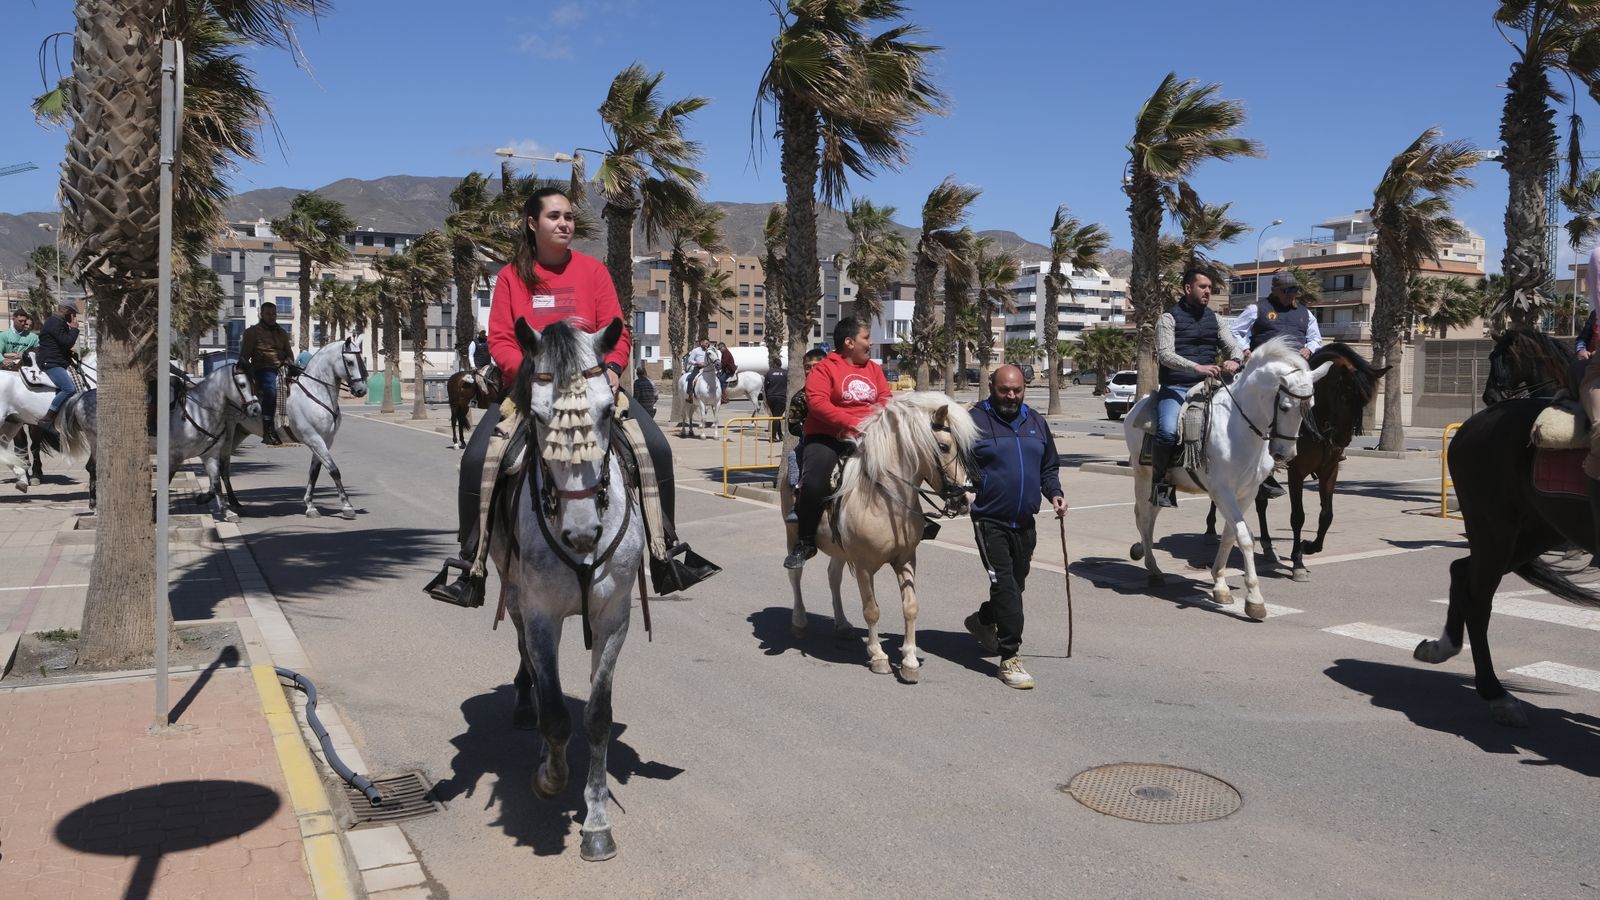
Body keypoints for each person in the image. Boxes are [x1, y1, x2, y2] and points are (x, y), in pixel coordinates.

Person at [426, 186, 717, 609]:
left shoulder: (592, 272)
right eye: (554, 216)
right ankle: (472, 567)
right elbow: (504, 341)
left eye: (568, 217)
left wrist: (614, 369)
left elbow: (616, 331)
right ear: (532, 223)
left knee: (655, 447)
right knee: (476, 460)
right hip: (532, 393)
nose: (564, 223)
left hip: (594, 388)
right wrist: (529, 378)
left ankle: (665, 549)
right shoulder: (511, 276)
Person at [964, 364, 1066, 690]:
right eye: (1004, 390)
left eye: (1017, 390)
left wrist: (1056, 494)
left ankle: (982, 621)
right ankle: (1009, 657)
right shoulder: (973, 421)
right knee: (1006, 587)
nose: (1011, 396)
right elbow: (954, 463)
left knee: (1015, 586)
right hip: (989, 519)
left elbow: (1048, 466)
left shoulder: (1035, 421)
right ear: (991, 387)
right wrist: (964, 491)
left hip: (1025, 521)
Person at [784, 318, 890, 570]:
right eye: (866, 337)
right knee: (814, 480)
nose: (871, 342)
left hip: (870, 434)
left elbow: (885, 396)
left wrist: (875, 422)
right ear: (849, 342)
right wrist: (854, 423)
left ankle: (915, 520)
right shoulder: (824, 369)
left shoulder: (874, 369)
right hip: (828, 437)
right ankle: (806, 541)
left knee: (902, 465)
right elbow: (818, 405)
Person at [1150, 268, 1244, 508]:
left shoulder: (1216, 318)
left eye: (1210, 288)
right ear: (1187, 288)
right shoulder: (1168, 319)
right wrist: (1196, 368)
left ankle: (1261, 475)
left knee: (1250, 415)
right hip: (1177, 385)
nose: (1208, 292)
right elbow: (1165, 355)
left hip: (1212, 385)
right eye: (1203, 287)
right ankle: (1160, 483)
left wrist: (1235, 359)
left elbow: (1233, 346)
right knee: (1168, 431)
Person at [1228, 270, 1322, 497]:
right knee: (1267, 411)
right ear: (1275, 290)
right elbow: (1234, 331)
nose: (1292, 295)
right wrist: (1245, 349)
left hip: (1295, 371)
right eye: (1287, 291)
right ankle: (1262, 463)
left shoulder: (1305, 313)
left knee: (1311, 400)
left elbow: (1316, 337)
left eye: (1295, 291)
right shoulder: (1257, 309)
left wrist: (1309, 348)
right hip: (1266, 374)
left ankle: (1321, 450)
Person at [238, 301, 293, 445]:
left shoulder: (282, 332)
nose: (271, 317)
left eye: (274, 314)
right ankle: (268, 431)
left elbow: (289, 354)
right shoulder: (252, 332)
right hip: (263, 369)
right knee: (272, 391)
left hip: (283, 368)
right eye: (268, 314)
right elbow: (244, 356)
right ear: (261, 314)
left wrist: (289, 362)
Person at [35, 299, 81, 435]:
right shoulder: (54, 322)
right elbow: (66, 342)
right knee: (69, 388)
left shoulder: (58, 322)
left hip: (58, 360)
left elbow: (62, 345)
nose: (74, 317)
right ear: (67, 311)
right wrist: (75, 329)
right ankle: (47, 418)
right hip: (51, 362)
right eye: (73, 313)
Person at [763, 359, 787, 442]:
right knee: (777, 416)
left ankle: (780, 435)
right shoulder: (785, 373)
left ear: (774, 364)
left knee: (776, 416)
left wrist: (766, 396)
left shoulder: (769, 373)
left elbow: (765, 386)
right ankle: (773, 437)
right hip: (782, 397)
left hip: (771, 397)